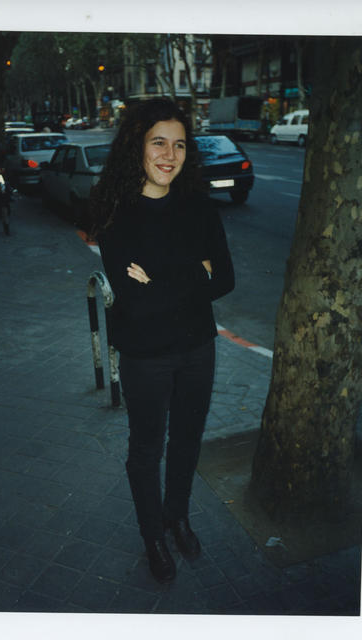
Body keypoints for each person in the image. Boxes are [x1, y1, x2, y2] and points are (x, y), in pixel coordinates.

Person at [89, 97, 235, 583]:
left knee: (188, 439)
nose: (170, 155)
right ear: (138, 145)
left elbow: (226, 279)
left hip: (197, 347)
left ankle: (177, 517)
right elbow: (135, 302)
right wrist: (195, 272)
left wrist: (159, 278)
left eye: (180, 144)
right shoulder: (116, 213)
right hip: (145, 354)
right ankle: (152, 534)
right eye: (159, 142)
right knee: (147, 449)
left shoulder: (199, 208)